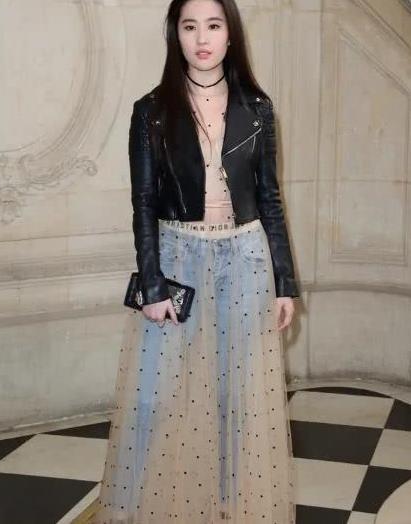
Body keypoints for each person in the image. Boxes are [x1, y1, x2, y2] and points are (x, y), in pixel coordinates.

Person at [94, 0, 300, 522]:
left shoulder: (258, 108)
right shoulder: (151, 110)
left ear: (230, 35)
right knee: (160, 392)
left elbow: (270, 199)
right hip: (178, 258)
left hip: (245, 260)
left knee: (238, 393)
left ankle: (229, 504)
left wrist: (284, 282)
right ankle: (151, 504)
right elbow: (143, 203)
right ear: (175, 35)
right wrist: (153, 285)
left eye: (213, 25)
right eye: (190, 27)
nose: (202, 38)